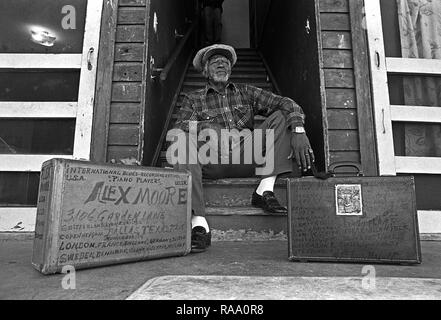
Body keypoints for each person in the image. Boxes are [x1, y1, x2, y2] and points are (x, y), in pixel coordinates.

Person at [170, 44, 315, 253]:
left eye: (226, 61)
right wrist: (205, 126)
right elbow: (180, 125)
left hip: (248, 154)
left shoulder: (246, 92)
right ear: (205, 70)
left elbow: (285, 103)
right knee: (180, 140)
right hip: (214, 159)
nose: (222, 63)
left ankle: (264, 189)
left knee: (283, 115)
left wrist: (299, 130)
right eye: (215, 61)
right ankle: (198, 222)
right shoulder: (193, 99)